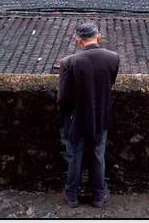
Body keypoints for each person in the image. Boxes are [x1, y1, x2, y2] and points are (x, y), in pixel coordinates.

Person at [57, 21, 120, 208]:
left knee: (74, 156)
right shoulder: (113, 58)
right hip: (101, 117)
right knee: (98, 155)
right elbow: (110, 84)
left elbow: (63, 98)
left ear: (78, 40)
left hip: (77, 118)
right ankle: (99, 195)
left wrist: (65, 118)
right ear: (98, 36)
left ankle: (72, 195)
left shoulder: (69, 62)